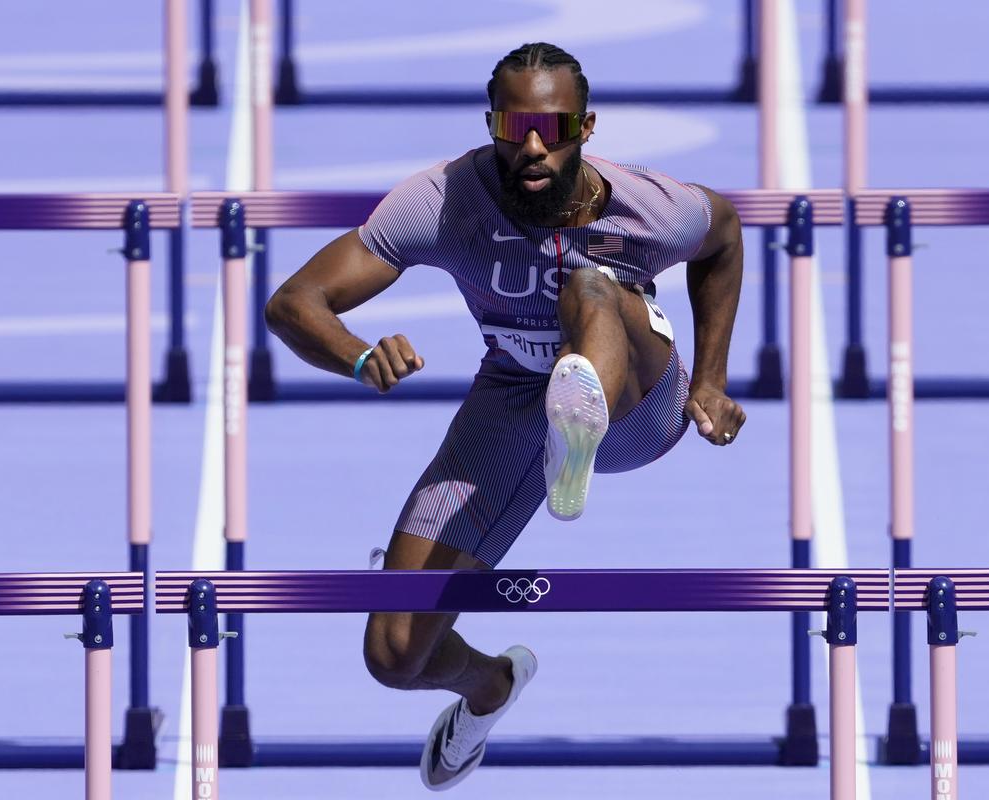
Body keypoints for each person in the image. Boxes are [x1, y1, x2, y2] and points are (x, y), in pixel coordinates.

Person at [265, 42, 747, 791]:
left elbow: (723, 235)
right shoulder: (445, 199)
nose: (530, 145)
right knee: (395, 651)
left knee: (588, 289)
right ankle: (489, 688)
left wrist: (711, 380)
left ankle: (576, 438)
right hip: (514, 397)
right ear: (492, 123)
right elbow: (294, 302)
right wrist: (360, 357)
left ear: (584, 129)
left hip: (638, 409)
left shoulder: (646, 203)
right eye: (514, 125)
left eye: (550, 129)